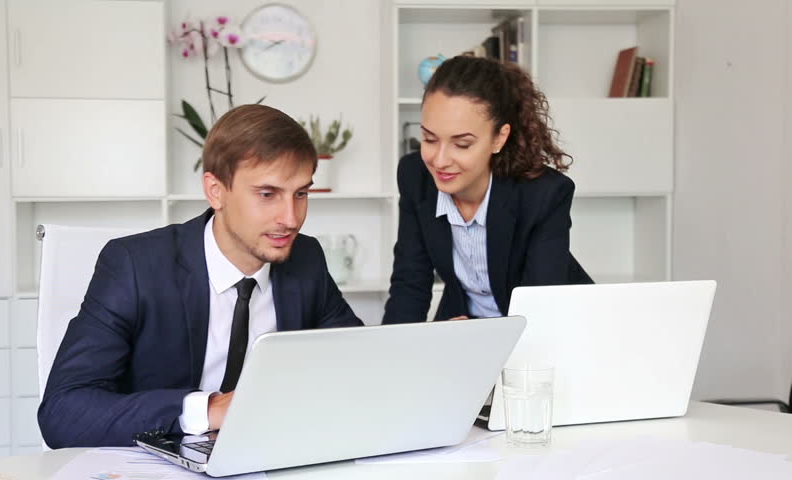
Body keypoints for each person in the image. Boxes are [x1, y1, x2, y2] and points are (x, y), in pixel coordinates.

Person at [39, 104, 363, 448]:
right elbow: (63, 412)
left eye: (300, 193)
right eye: (267, 194)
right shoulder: (134, 266)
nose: (291, 218)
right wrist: (205, 410)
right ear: (216, 191)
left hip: (268, 455)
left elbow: (355, 366)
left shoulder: (306, 260)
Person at [383, 55, 592, 324]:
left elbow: (541, 309)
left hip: (550, 330)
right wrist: (393, 356)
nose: (440, 160)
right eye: (429, 138)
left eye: (462, 144)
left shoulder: (544, 193)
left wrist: (479, 338)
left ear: (499, 138)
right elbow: (409, 283)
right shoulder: (415, 177)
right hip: (463, 327)